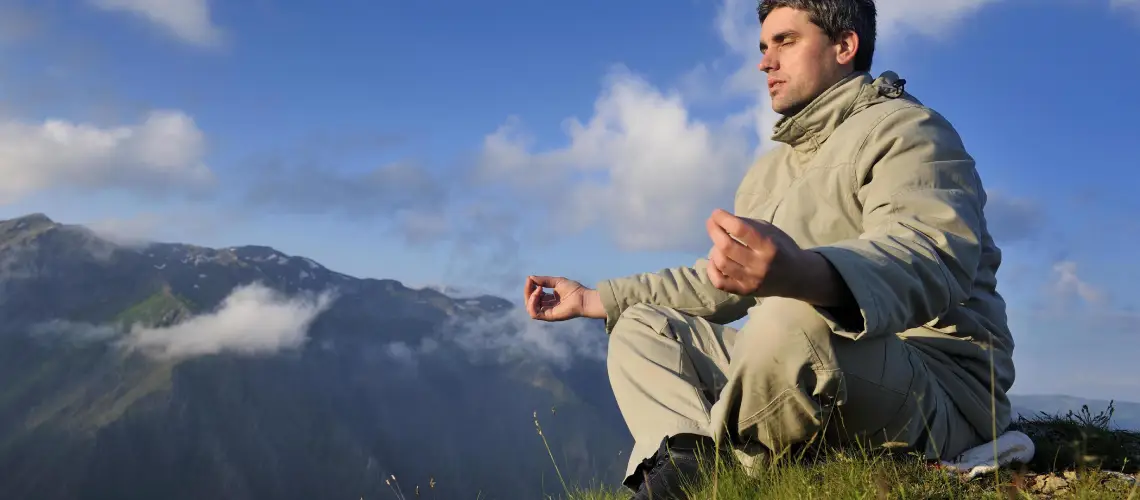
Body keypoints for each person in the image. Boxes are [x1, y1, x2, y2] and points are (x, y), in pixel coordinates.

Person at [523, 0, 1016, 498]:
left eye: (785, 41)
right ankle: (686, 469)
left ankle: (716, 469)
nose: (764, 62)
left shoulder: (911, 131)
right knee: (640, 328)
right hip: (816, 359)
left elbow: (929, 253)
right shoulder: (770, 172)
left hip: (936, 382)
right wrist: (594, 299)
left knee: (787, 320)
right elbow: (721, 279)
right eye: (763, 46)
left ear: (845, 46)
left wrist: (805, 274)